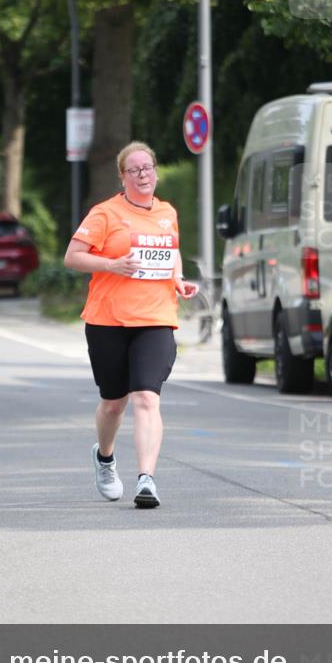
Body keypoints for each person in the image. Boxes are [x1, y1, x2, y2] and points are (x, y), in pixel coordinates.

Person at [64, 141, 198, 509]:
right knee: (113, 404)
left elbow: (170, 252)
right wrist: (110, 265)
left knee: (146, 397)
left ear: (156, 171)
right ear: (123, 177)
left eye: (149, 168)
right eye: (135, 170)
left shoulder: (167, 212)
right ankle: (105, 458)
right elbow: (72, 256)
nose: (144, 175)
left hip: (156, 317)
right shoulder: (105, 213)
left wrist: (179, 279)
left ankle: (146, 480)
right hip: (109, 319)